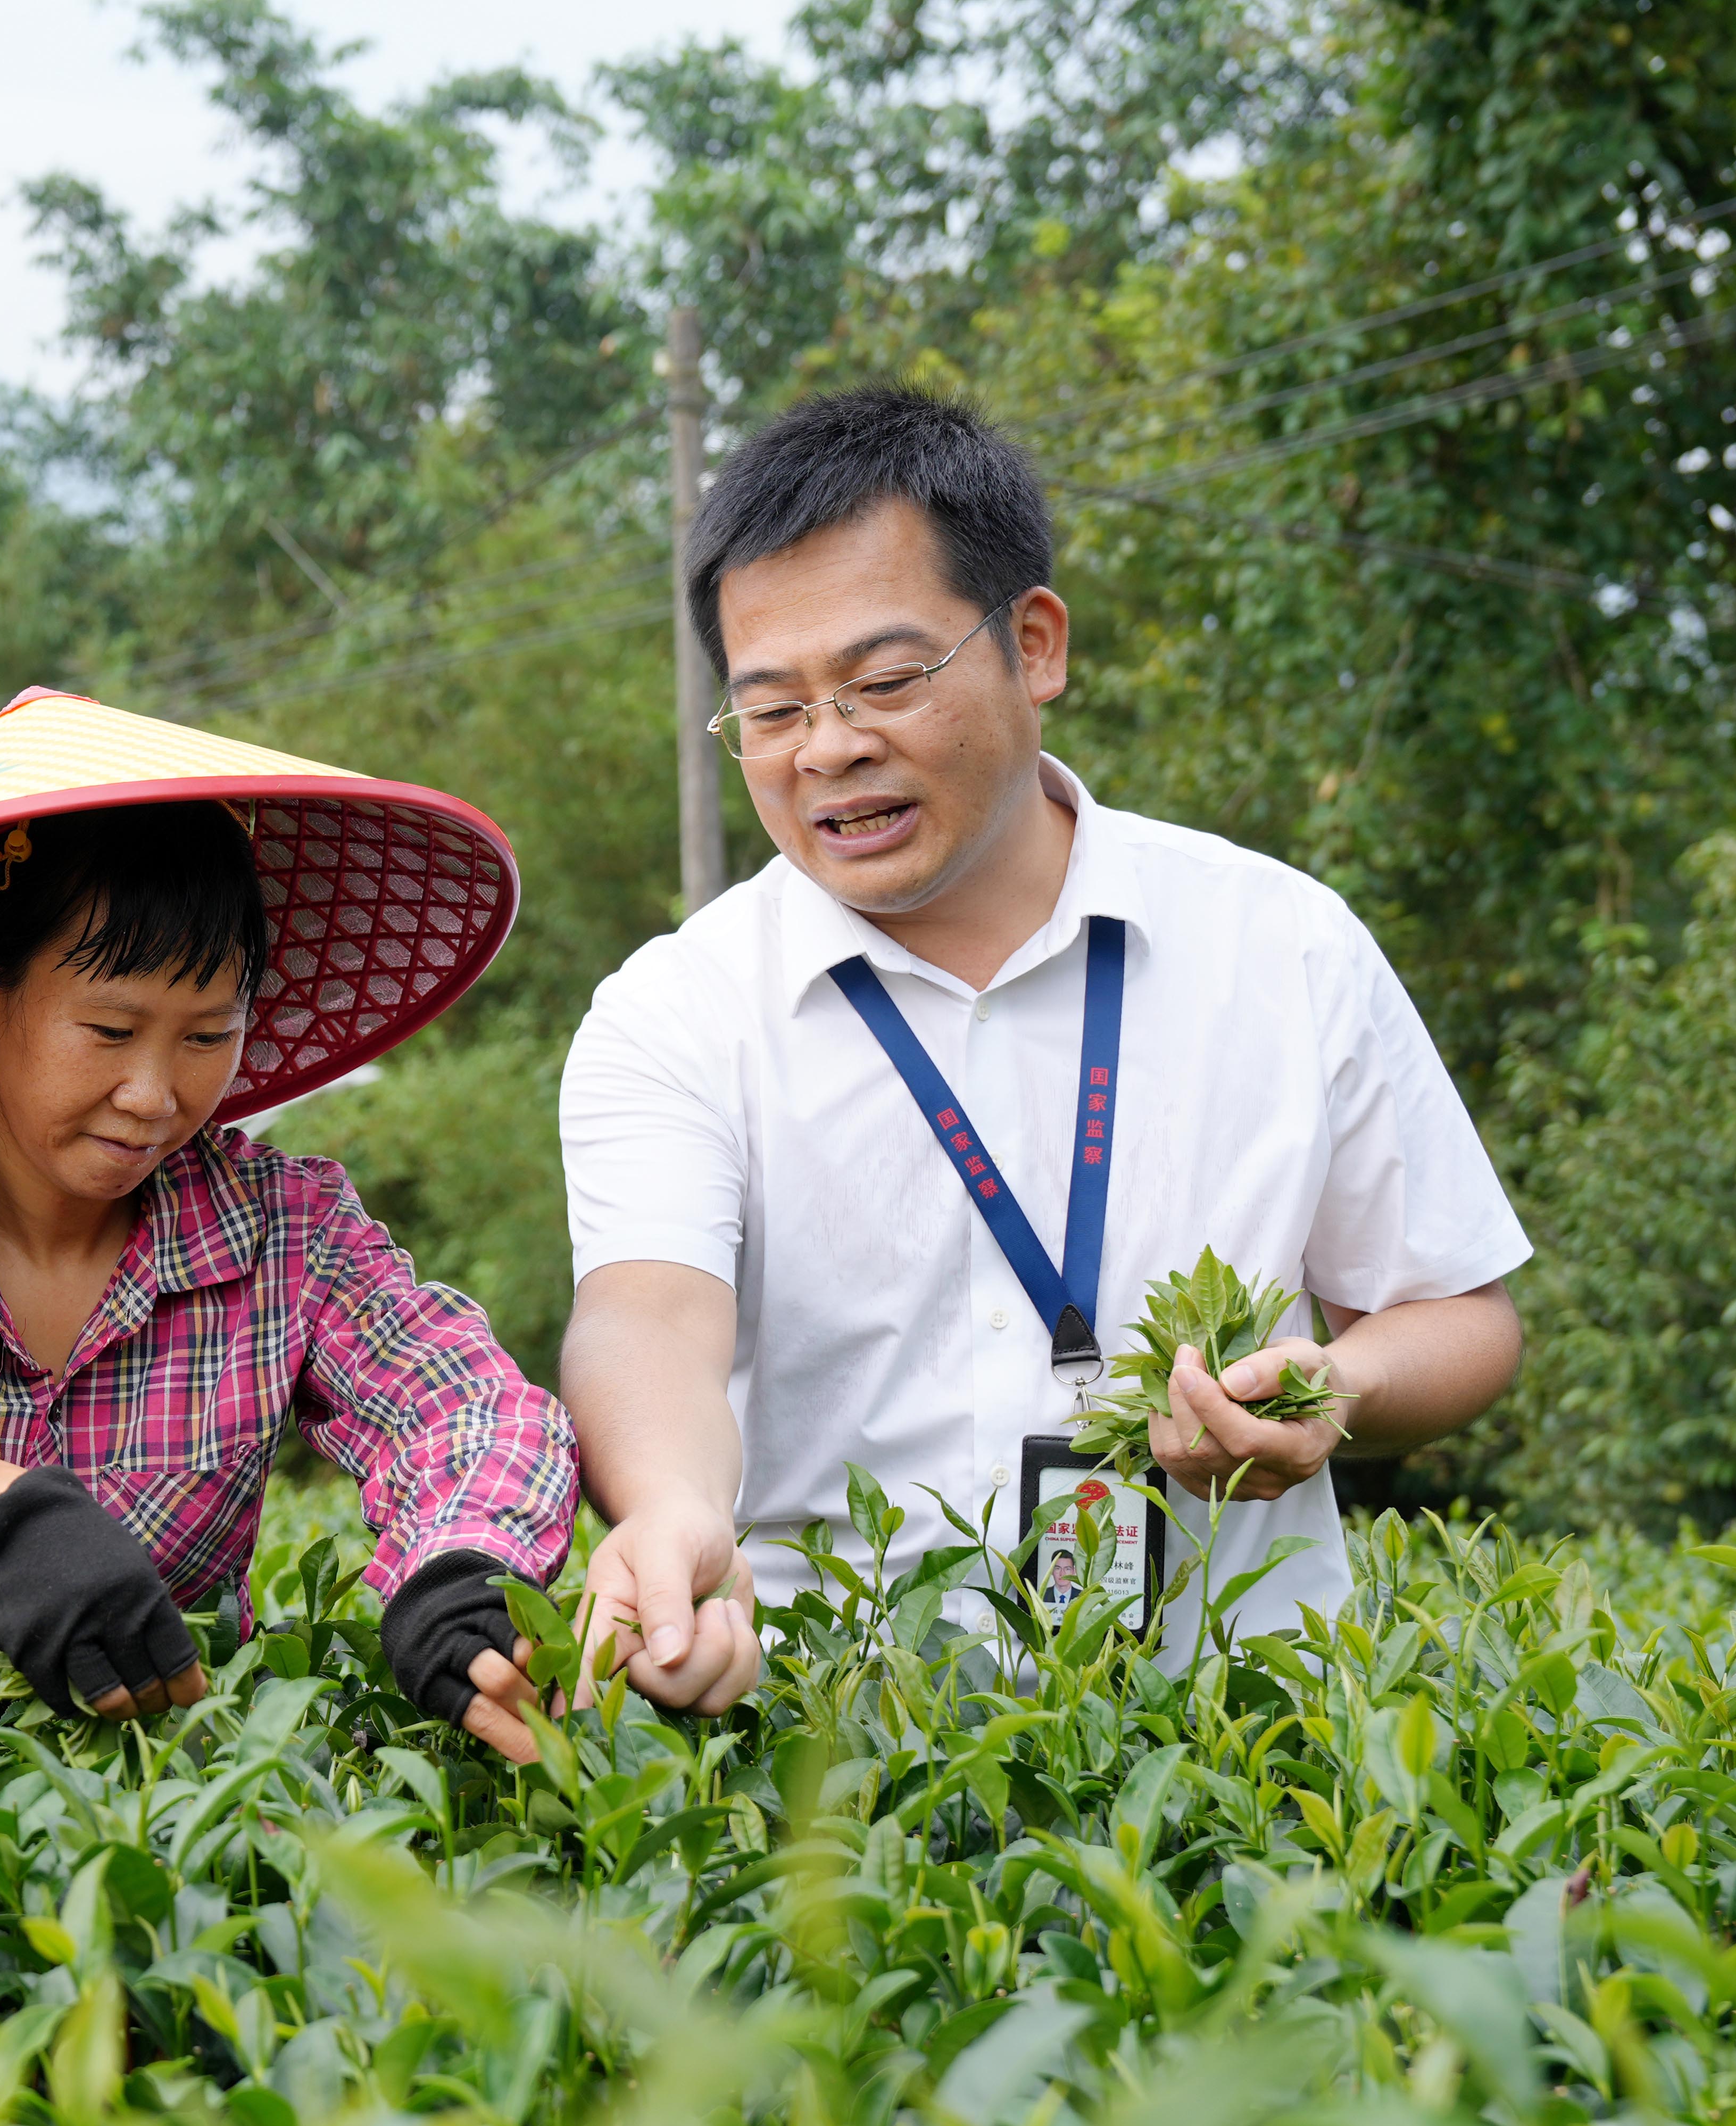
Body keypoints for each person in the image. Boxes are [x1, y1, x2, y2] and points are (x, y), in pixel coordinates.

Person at [559, 387, 1528, 1677]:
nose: (829, 750)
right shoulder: (676, 1010)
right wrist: (673, 1502)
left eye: (886, 681)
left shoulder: (1279, 944)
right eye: (775, 710)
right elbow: (648, 1314)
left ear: (1037, 644)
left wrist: (1335, 1391)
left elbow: (1456, 1309)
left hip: (1245, 1751)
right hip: (836, 1755)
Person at [0, 686, 760, 1753]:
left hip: (166, 1812)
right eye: (111, 1030)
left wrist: (461, 1572)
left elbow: (463, 1407)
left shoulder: (284, 1229)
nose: (155, 1093)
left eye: (207, 1035)